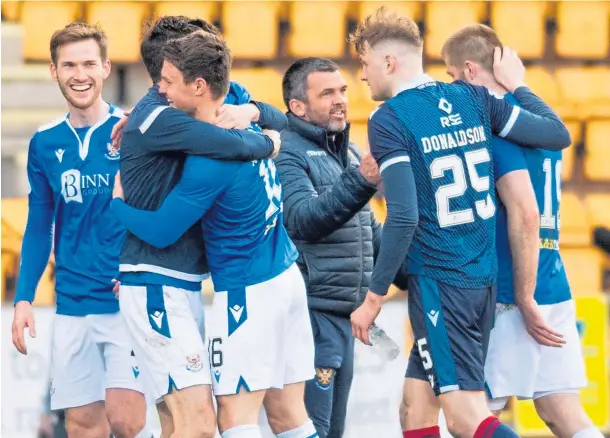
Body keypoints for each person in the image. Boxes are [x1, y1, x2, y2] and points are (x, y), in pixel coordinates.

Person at [347, 7, 572, 438]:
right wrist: (520, 87)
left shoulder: (389, 118)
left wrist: (374, 298)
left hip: (441, 280)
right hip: (480, 279)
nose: (363, 75)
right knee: (415, 407)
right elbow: (556, 134)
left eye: (365, 63)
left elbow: (404, 214)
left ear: (389, 62)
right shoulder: (473, 99)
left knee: (466, 417)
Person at [111, 30, 317, 438]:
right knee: (289, 417)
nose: (161, 90)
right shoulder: (237, 103)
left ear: (199, 85)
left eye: (168, 81)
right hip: (286, 275)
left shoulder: (209, 158)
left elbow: (164, 230)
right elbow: (284, 121)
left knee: (233, 421)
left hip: (248, 289)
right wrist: (263, 126)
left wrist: (116, 203)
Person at [442, 24, 604, 438]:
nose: (449, 84)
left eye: (450, 74)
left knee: (471, 417)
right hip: (552, 280)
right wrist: (521, 85)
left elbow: (525, 215)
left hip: (507, 292)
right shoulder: (539, 122)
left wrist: (522, 297)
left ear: (469, 70)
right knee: (562, 412)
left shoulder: (489, 129)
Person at [10, 22, 150, 438]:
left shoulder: (134, 132)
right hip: (72, 304)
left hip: (125, 301)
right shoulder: (44, 143)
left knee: (127, 421)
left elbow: (158, 211)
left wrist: (141, 272)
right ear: (53, 71)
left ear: (106, 67)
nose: (79, 74)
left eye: (89, 63)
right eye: (69, 65)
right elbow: (39, 225)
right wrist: (23, 298)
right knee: (82, 426)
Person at [276, 56, 408, 438]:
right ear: (298, 106)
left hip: (343, 316)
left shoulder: (345, 153)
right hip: (312, 316)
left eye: (343, 91)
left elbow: (369, 231)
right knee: (312, 430)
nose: (340, 100)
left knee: (332, 431)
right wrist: (360, 182)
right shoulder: (287, 151)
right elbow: (302, 219)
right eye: (327, 93)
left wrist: (414, 275)